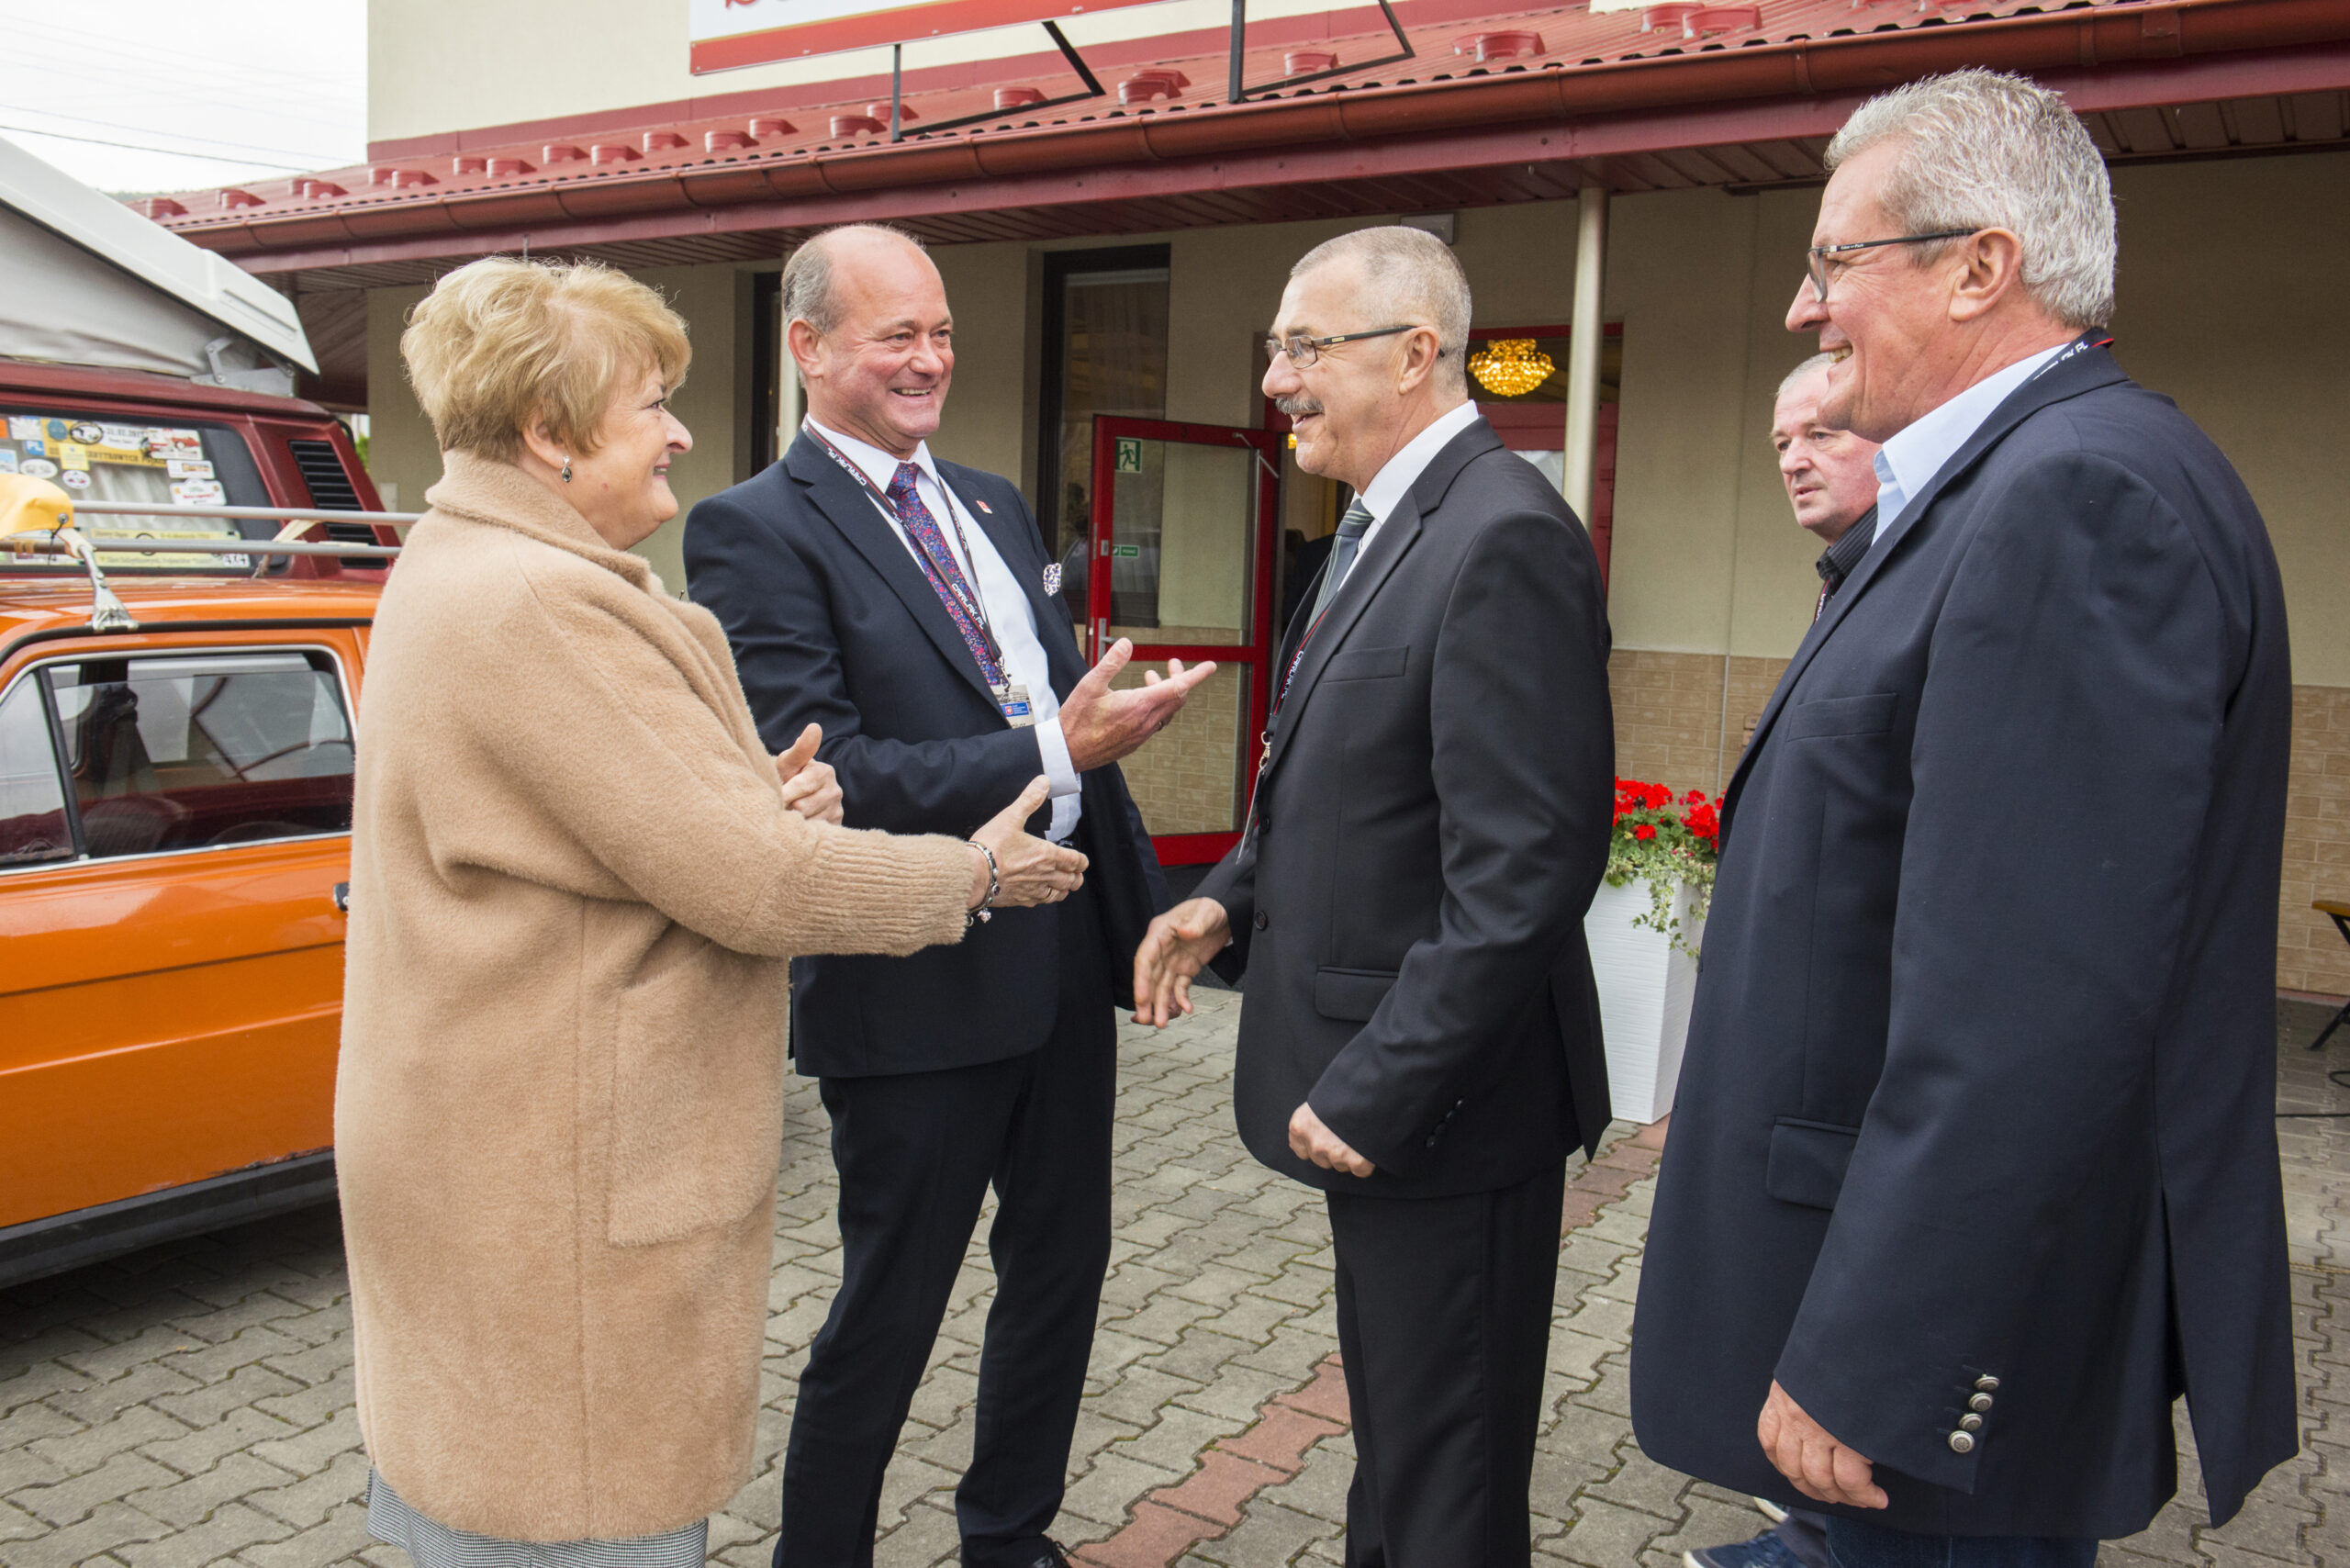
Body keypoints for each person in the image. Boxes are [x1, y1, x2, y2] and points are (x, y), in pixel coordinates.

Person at [1630, 68, 2297, 1568]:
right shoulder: (2006, 485)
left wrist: (1881, 1349)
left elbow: (2029, 1006)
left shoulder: (2078, 499)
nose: (1803, 308)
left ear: (1980, 265)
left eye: (1834, 261)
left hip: (1930, 1352)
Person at [338, 256, 1085, 1565]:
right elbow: (757, 884)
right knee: (580, 1524)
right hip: (559, 1185)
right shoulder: (539, 602)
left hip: (502, 1155)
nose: (680, 432)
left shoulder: (473, 562)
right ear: (550, 434)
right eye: (650, 404)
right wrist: (971, 875)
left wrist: (749, 803)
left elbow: (611, 832)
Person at [683, 223, 1210, 1568]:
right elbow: (835, 770)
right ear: (807, 347)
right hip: (913, 973)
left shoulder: (991, 501)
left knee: (1061, 1272)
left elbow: (1052, 705)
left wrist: (1137, 873)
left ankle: (1008, 1538)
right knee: (891, 1308)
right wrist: (1054, 749)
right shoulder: (752, 531)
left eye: (943, 333)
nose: (930, 361)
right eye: (896, 337)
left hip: (1059, 952)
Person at [1132, 224, 1616, 1566]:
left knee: (1446, 1490)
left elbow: (1524, 870)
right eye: (1273, 346)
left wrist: (1381, 1086)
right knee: (1404, 1464)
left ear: (1415, 355)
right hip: (1401, 1111)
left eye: (1304, 347)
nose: (1275, 378)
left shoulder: (1502, 535)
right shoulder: (1385, 525)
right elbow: (1356, 784)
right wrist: (1229, 900)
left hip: (1449, 1115)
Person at [1684, 353, 1885, 1568]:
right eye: (1778, 444)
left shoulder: (1924, 579)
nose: (1795, 461)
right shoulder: (1848, 581)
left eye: (1824, 432)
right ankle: (1813, 1522)